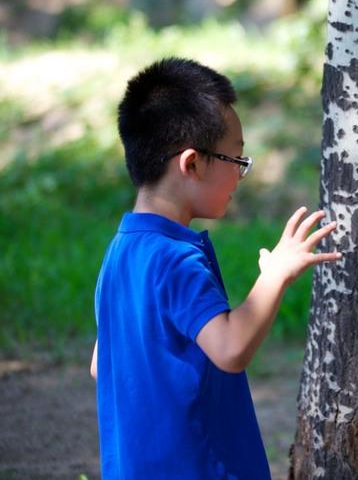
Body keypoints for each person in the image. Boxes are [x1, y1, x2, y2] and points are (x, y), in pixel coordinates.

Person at [90, 57, 342, 478]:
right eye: (236, 160)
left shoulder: (120, 252)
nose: (240, 176)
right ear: (192, 163)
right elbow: (230, 349)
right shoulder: (175, 258)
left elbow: (103, 364)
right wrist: (275, 275)